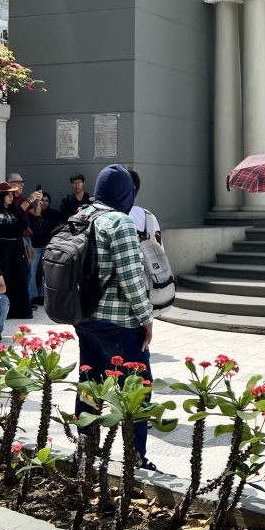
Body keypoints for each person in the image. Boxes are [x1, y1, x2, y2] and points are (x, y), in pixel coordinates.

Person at [71, 164, 159, 471]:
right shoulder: (119, 222)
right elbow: (132, 278)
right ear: (125, 192)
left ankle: (86, 448)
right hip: (119, 323)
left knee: (90, 382)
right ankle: (136, 458)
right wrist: (147, 319)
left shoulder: (81, 216)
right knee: (137, 389)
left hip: (84, 318)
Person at [0, 182, 31, 319]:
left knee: (20, 277)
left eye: (12, 195)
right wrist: (15, 228)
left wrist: (13, 229)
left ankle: (21, 310)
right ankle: (5, 311)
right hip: (1, 250)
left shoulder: (16, 209)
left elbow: (24, 225)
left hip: (16, 248)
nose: (11, 198)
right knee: (4, 278)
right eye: (8, 195)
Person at [26, 190, 58, 305]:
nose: (44, 203)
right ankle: (32, 295)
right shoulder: (32, 212)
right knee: (31, 272)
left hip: (47, 245)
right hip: (34, 244)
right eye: (42, 200)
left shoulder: (53, 214)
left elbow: (59, 227)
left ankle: (44, 296)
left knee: (47, 272)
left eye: (47, 201)